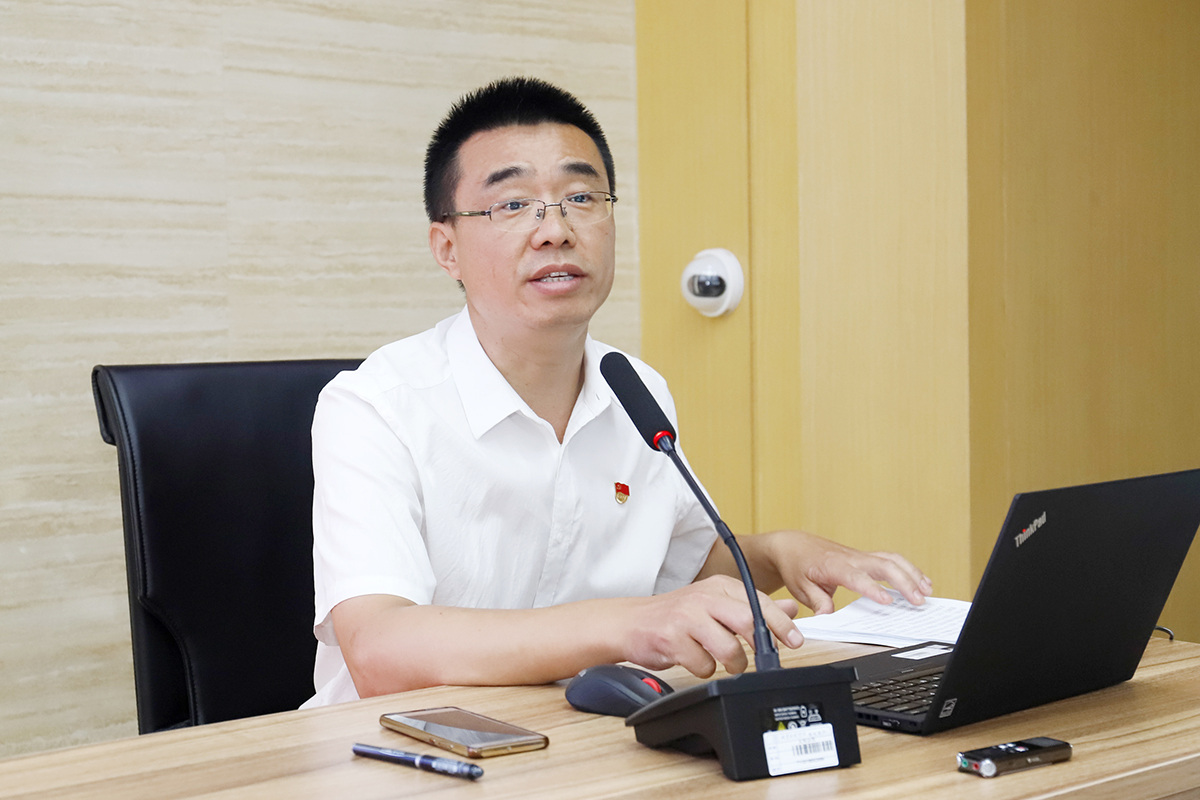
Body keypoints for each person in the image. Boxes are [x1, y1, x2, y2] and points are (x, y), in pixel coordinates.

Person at [303, 77, 931, 708]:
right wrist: (627, 625)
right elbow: (380, 651)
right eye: (513, 204)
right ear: (448, 249)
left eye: (581, 197)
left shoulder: (635, 390)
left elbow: (683, 567)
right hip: (396, 745)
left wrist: (777, 553)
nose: (555, 230)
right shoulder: (375, 407)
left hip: (576, 735)